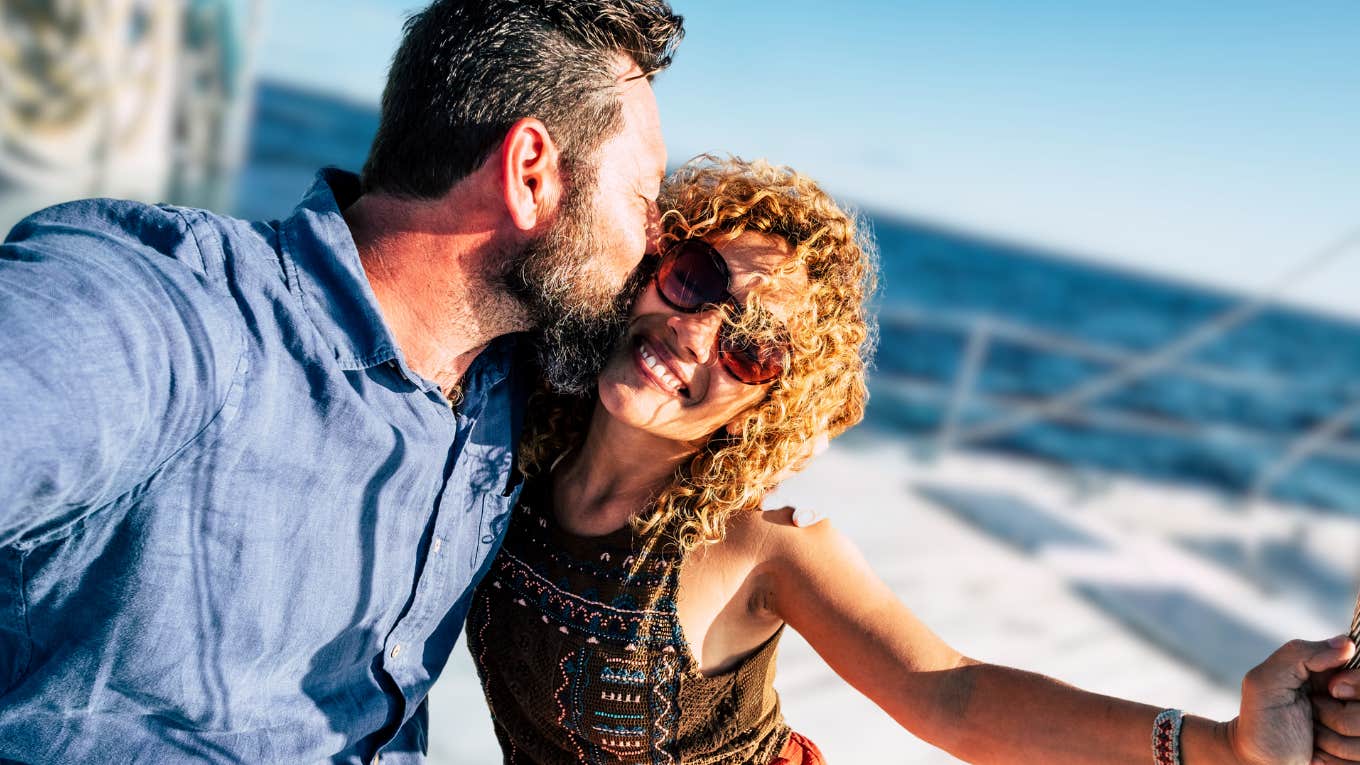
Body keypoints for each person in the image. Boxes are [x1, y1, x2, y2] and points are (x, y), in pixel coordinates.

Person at [466, 156, 1360, 765]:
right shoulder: (502, 455)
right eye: (697, 279)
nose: (694, 335)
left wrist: (1226, 746)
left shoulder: (759, 553)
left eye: (750, 350)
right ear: (650, 266)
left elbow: (956, 695)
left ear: (764, 408)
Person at [0, 1, 681, 762]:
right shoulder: (173, 318)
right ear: (530, 175)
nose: (657, 244)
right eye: (645, 200)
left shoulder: (515, 380)